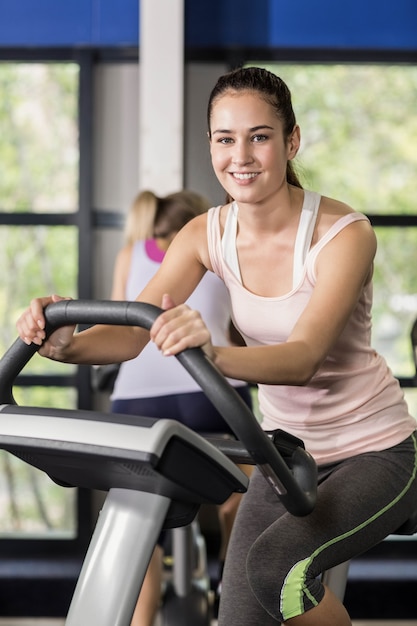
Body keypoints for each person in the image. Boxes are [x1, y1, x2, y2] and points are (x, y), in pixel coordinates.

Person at [17, 66, 417, 626]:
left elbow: (303, 358)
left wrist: (209, 356)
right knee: (240, 612)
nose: (241, 156)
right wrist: (64, 345)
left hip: (376, 450)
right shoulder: (206, 232)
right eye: (225, 139)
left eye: (260, 136)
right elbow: (136, 330)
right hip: (287, 454)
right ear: (211, 145)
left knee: (276, 569)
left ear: (291, 140)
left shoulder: (344, 234)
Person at [108, 188, 253, 625]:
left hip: (135, 402)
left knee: (139, 522)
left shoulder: (129, 253)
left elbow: (120, 323)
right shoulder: (218, 249)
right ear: (196, 224)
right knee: (245, 491)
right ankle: (232, 573)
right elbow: (236, 327)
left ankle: (140, 615)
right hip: (210, 393)